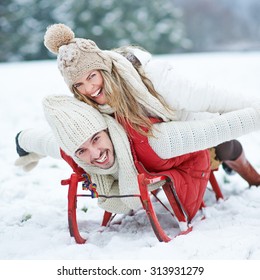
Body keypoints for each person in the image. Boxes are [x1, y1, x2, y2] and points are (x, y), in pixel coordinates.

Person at [41, 23, 260, 186]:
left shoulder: (155, 79)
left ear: (104, 69)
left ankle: (251, 176)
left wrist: (255, 107)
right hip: (157, 153)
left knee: (226, 148)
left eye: (92, 76)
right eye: (78, 85)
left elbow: (213, 98)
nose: (89, 89)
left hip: (195, 132)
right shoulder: (91, 106)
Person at [16, 95, 211, 226]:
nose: (95, 154)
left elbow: (214, 129)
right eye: (82, 150)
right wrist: (21, 144)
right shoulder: (71, 152)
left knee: (227, 151)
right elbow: (40, 141)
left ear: (107, 130)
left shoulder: (147, 139)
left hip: (193, 142)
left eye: (96, 139)